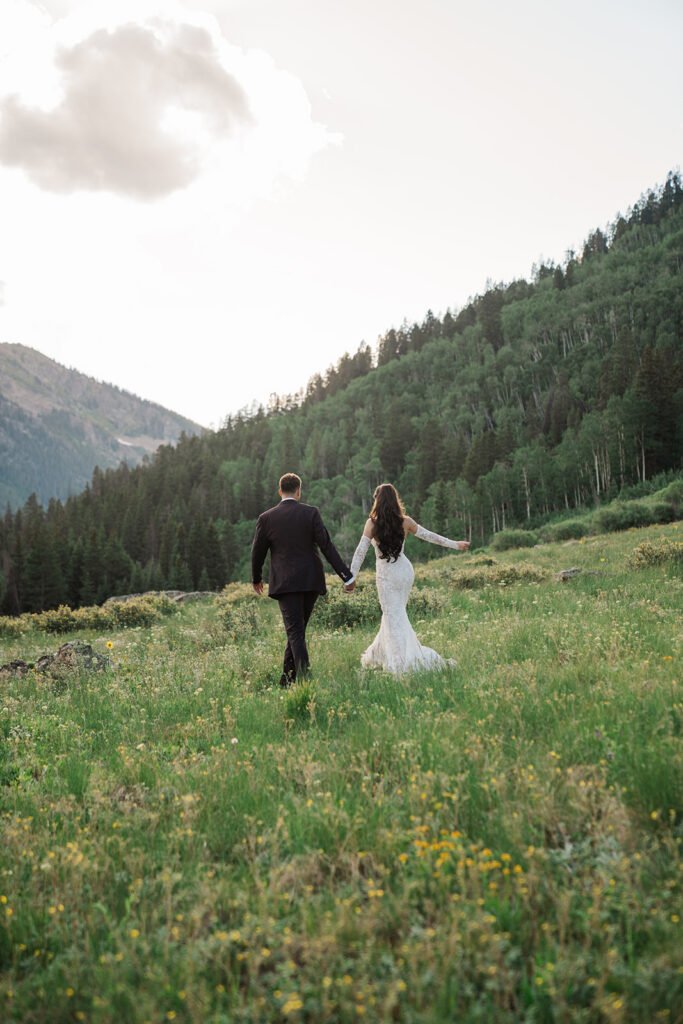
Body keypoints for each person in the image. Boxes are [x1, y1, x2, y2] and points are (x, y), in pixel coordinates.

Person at [347, 482, 469, 674]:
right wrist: (455, 544)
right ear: (395, 500)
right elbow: (430, 536)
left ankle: (400, 662)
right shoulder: (405, 521)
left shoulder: (372, 523)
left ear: (377, 500)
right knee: (395, 614)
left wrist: (351, 577)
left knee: (393, 614)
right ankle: (380, 654)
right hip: (404, 572)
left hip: (387, 575)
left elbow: (360, 552)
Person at [251, 473, 355, 686]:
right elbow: (327, 546)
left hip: (285, 583)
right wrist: (346, 576)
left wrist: (256, 577)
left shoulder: (266, 518)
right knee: (296, 631)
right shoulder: (311, 513)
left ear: (280, 491)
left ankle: (306, 683)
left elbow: (257, 551)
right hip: (310, 580)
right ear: (299, 491)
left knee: (295, 631)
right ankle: (287, 680)